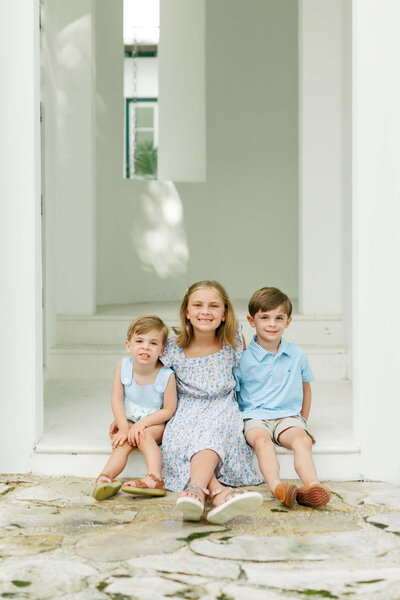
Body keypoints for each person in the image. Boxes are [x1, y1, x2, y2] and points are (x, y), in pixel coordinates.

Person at [160, 280, 263, 524]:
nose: (205, 311)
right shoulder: (172, 348)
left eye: (214, 306)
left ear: (225, 313)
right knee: (192, 436)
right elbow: (154, 386)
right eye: (197, 305)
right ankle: (217, 492)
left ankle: (196, 490)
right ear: (187, 311)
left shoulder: (234, 341)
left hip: (223, 407)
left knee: (210, 431)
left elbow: (246, 380)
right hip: (185, 409)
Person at [234, 287, 331, 508]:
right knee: (262, 442)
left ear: (287, 322)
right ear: (252, 321)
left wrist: (302, 421)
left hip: (287, 416)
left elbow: (306, 389)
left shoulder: (296, 354)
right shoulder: (243, 358)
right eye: (265, 318)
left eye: (279, 318)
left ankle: (313, 486)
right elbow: (236, 392)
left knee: (302, 440)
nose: (272, 324)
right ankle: (277, 486)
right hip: (255, 417)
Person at [92, 315, 177, 501]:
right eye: (139, 341)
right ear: (128, 346)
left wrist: (142, 424)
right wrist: (123, 426)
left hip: (156, 423)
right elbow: (116, 398)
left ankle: (155, 478)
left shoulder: (166, 375)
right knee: (122, 444)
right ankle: (105, 477)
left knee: (143, 435)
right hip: (131, 420)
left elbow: (168, 410)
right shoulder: (124, 365)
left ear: (162, 350)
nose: (145, 347)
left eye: (153, 343)